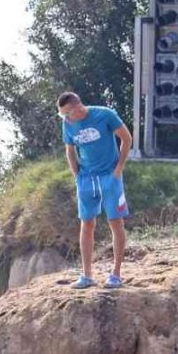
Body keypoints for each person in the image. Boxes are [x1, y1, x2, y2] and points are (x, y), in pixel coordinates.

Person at [57, 91, 133, 289]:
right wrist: (77, 175)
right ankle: (87, 275)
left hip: (110, 175)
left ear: (78, 108)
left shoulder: (105, 114)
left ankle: (116, 274)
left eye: (66, 114)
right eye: (62, 115)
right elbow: (70, 149)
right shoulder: (67, 123)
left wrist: (119, 169)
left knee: (115, 222)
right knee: (87, 224)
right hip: (86, 178)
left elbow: (126, 138)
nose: (64, 118)